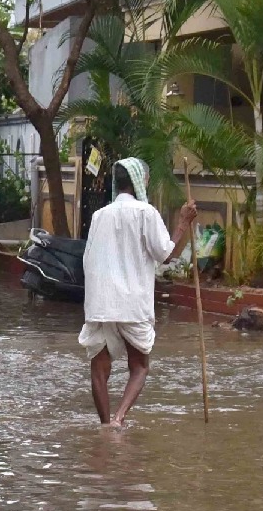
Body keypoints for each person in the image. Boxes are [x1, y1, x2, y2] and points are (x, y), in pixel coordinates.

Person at [79, 157, 197, 428]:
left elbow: (88, 259)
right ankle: (119, 419)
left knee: (98, 368)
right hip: (133, 302)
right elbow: (165, 255)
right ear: (140, 182)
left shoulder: (99, 216)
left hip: (101, 301)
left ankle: (105, 425)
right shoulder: (146, 213)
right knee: (140, 366)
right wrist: (183, 223)